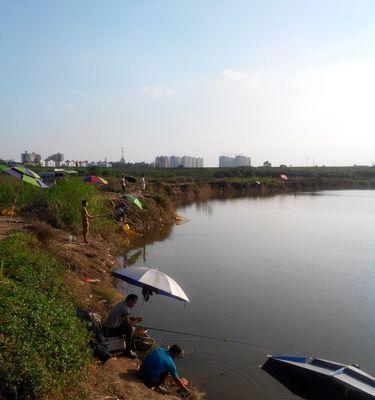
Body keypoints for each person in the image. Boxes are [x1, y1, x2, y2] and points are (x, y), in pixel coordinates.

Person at [103, 294, 142, 358]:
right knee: (130, 329)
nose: (134, 305)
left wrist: (133, 318)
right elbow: (129, 324)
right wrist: (137, 321)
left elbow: (124, 317)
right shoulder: (125, 308)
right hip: (109, 330)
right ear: (130, 300)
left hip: (106, 327)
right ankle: (128, 351)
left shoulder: (121, 304)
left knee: (126, 325)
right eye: (134, 303)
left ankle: (128, 347)